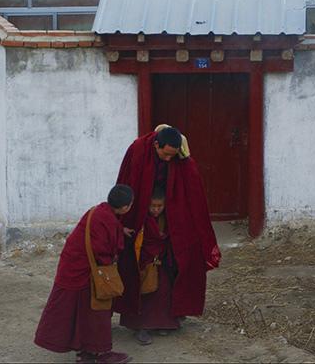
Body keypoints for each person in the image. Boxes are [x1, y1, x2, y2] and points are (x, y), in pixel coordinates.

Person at [113, 125, 221, 341]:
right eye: (165, 154)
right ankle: (140, 323)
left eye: (173, 155)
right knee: (142, 267)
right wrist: (127, 218)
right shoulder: (138, 150)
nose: (169, 159)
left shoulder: (180, 156)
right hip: (141, 218)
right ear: (156, 145)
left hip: (169, 218)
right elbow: (128, 181)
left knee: (172, 264)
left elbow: (191, 187)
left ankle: (167, 319)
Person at [34, 184, 135, 364]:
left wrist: (120, 230)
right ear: (126, 207)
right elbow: (102, 250)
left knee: (79, 312)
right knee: (96, 311)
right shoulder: (108, 220)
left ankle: (85, 353)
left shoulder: (98, 210)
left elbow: (101, 231)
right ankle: (100, 353)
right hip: (86, 272)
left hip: (73, 266)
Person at [124, 186, 175, 345]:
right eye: (152, 206)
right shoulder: (142, 219)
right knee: (144, 293)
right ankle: (141, 328)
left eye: (159, 206)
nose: (156, 209)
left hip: (160, 262)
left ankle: (161, 323)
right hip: (144, 263)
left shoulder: (166, 219)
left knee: (163, 292)